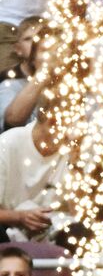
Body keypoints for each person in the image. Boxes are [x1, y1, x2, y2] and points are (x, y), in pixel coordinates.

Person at [0, 99, 68, 241]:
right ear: (53, 122)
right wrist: (20, 217)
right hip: (7, 227)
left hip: (54, 229)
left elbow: (79, 214)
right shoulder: (7, 144)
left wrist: (77, 163)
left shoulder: (77, 150)